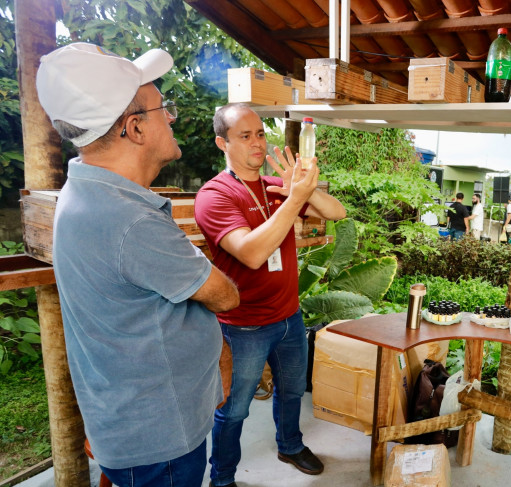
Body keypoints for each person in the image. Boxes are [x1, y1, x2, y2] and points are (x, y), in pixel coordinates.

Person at [37, 43, 240, 486]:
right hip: (159, 440)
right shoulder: (131, 221)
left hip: (130, 421)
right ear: (134, 127)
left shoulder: (88, 193)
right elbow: (225, 295)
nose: (170, 116)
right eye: (162, 107)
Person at [194, 103, 346, 486]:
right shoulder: (214, 196)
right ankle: (223, 478)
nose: (257, 143)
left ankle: (290, 445)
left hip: (289, 317)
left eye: (260, 133)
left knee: (293, 390)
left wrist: (304, 187)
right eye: (244, 136)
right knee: (234, 410)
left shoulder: (275, 187)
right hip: (243, 327)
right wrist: (296, 198)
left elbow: (336, 212)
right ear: (221, 143)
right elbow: (251, 252)